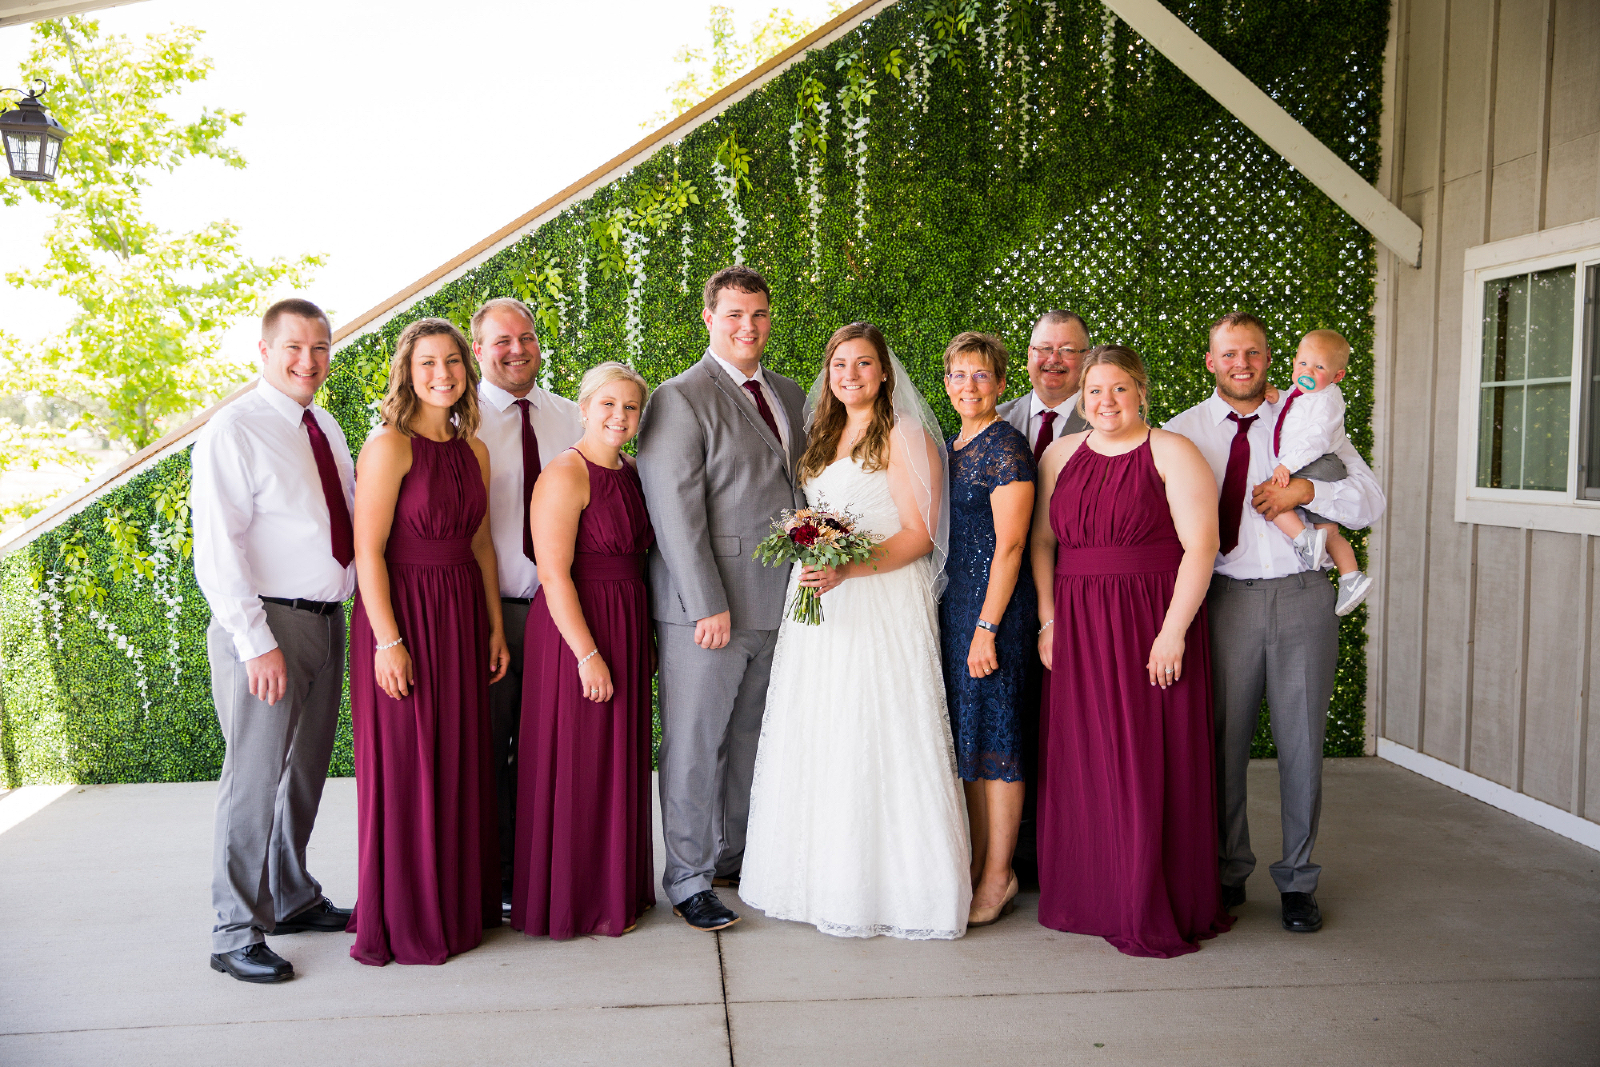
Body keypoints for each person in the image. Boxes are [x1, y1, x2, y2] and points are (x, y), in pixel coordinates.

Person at [740, 321, 971, 941]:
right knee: (826, 725)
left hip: (881, 597)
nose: (850, 375)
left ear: (885, 372)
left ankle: (899, 890)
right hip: (822, 598)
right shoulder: (824, 434)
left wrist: (848, 567)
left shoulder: (907, 434)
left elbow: (920, 535)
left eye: (863, 364)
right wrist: (815, 546)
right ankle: (820, 878)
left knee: (881, 725)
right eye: (840, 365)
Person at [1165, 312, 1386, 934]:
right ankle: (1228, 868)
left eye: (1255, 352)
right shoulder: (1181, 433)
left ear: (1272, 359)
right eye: (1229, 353)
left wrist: (1305, 496)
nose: (1243, 363)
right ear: (1210, 360)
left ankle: (1297, 880)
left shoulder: (1307, 417)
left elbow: (1370, 500)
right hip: (1225, 599)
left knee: (1300, 744)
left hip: (1302, 596)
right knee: (1223, 743)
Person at [1030, 344, 1231, 958]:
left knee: (1148, 758)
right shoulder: (1060, 455)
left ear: (1142, 391)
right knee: (1086, 755)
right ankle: (1092, 894)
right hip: (1078, 620)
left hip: (1151, 620)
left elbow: (1202, 547)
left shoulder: (1172, 450)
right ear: (1081, 396)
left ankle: (1150, 895)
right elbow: (1042, 541)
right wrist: (1048, 620)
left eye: (1119, 389)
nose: (1106, 401)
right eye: (1095, 391)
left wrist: (1173, 632)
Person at [635, 265, 807, 932]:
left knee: (751, 738)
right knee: (694, 742)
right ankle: (686, 876)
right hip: (707, 610)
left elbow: (799, 493)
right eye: (735, 314)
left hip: (782, 601)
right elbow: (676, 513)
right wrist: (707, 602)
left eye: (759, 314)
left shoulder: (790, 393)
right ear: (709, 318)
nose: (749, 326)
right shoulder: (679, 398)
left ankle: (731, 855)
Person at [193, 298, 356, 984]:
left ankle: (288, 893)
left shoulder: (326, 424)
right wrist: (254, 640)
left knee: (304, 772)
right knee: (254, 780)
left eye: (320, 347)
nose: (308, 360)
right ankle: (234, 927)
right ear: (263, 351)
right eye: (294, 347)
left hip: (326, 618)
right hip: (267, 625)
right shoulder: (234, 429)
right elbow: (218, 547)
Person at [347, 317, 510, 966]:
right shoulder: (388, 446)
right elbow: (367, 549)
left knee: (459, 759)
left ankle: (458, 905)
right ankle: (406, 913)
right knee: (410, 764)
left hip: (463, 614)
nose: (442, 374)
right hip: (405, 614)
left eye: (452, 362)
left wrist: (495, 626)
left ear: (466, 370)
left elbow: (479, 543)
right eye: (427, 364)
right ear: (407, 373)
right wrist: (388, 640)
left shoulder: (475, 450)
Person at [511, 362, 656, 939]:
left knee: (617, 758)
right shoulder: (564, 474)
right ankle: (572, 897)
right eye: (609, 405)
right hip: (579, 627)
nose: (619, 416)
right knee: (578, 759)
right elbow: (553, 575)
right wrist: (587, 654)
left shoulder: (633, 470)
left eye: (630, 408)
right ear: (584, 406)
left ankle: (613, 888)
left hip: (626, 618)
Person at [470, 297, 584, 913]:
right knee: (489, 746)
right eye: (502, 341)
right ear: (479, 349)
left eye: (527, 337)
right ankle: (497, 876)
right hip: (492, 610)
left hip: (559, 611)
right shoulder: (460, 423)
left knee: (549, 748)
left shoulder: (572, 418)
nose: (517, 349)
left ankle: (543, 871)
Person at [938, 331, 1035, 927]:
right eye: (958, 376)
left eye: (981, 376)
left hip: (993, 613)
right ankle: (976, 863)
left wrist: (986, 628)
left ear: (1001, 384)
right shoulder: (954, 444)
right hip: (955, 611)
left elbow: (1012, 546)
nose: (969, 386)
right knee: (970, 743)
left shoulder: (1007, 448)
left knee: (999, 743)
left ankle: (1000, 873)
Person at [1265, 329, 1373, 616]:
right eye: (1302, 364)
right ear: (1293, 363)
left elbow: (1315, 439)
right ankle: (1351, 577)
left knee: (1268, 498)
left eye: (1319, 367)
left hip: (1318, 464)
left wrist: (1286, 466)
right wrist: (1278, 396)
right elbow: (1296, 406)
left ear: (1337, 376)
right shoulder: (1307, 393)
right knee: (1331, 532)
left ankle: (1304, 539)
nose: (1308, 371)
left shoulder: (1327, 402)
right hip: (1318, 466)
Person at [998, 310, 1093, 463]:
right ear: (1030, 355)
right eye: (1044, 348)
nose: (1054, 358)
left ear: (1087, 358)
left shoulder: (1115, 423)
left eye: (1067, 350)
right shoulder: (997, 419)